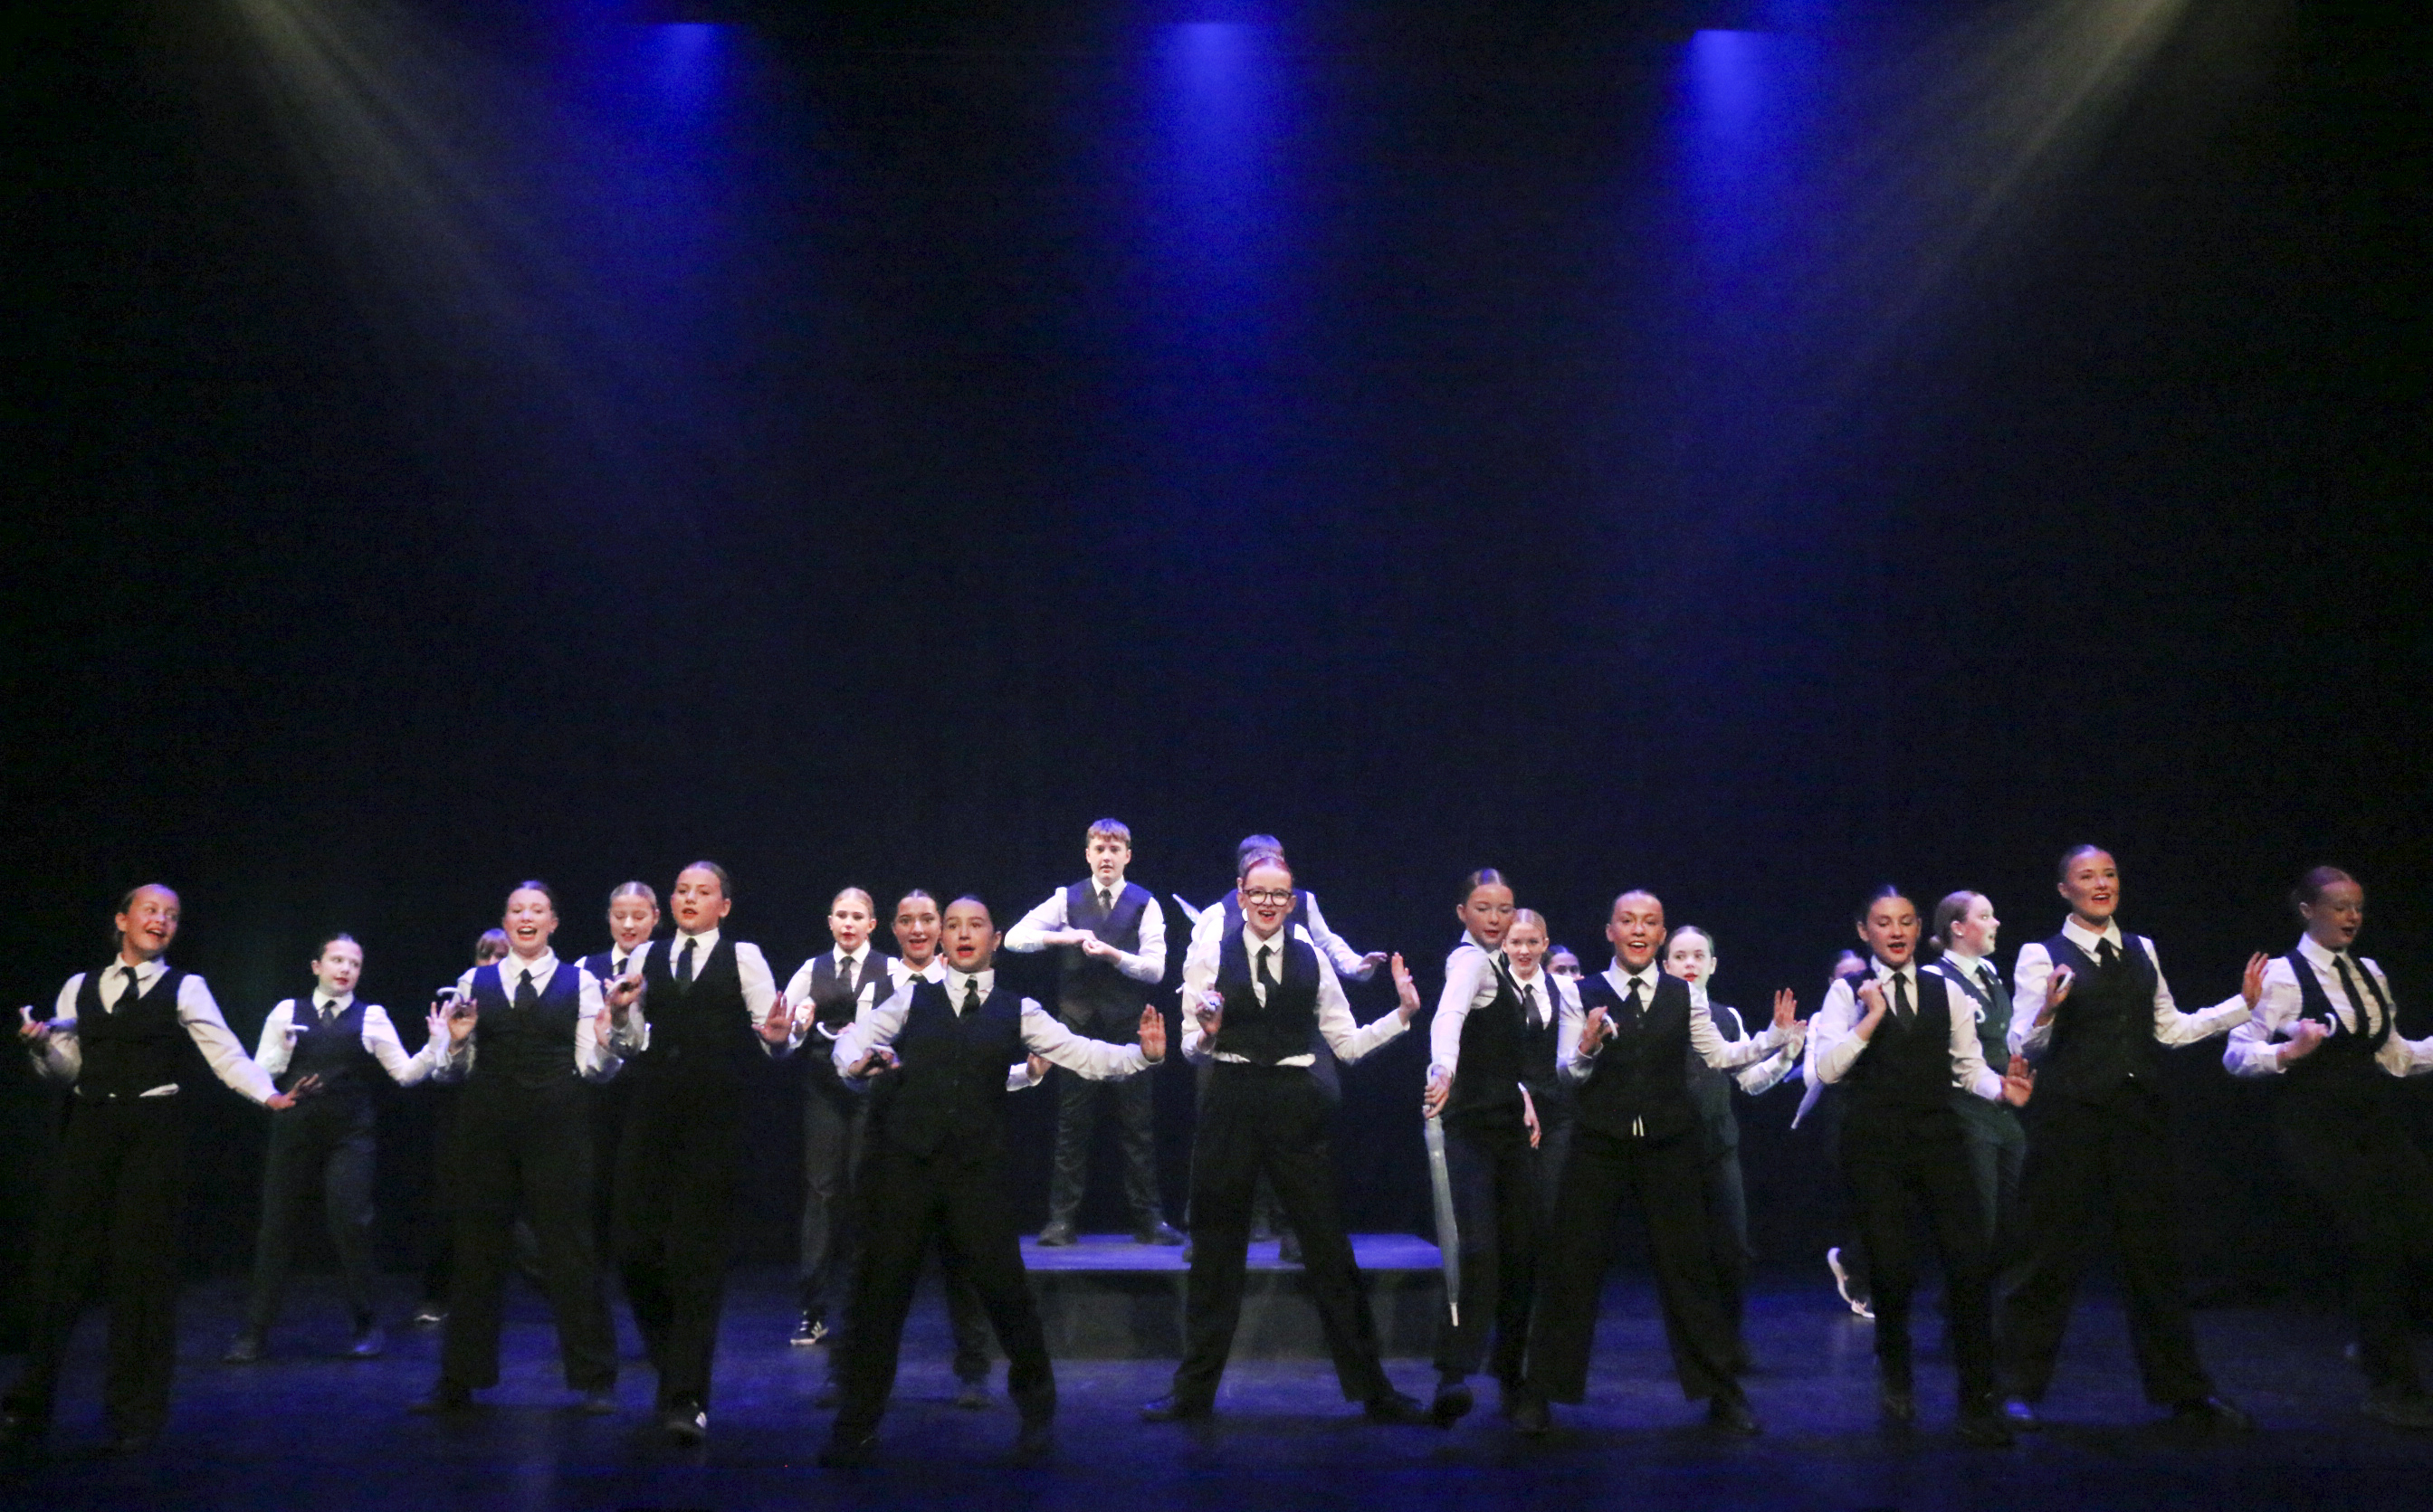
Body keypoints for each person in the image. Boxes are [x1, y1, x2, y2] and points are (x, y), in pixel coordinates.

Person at [819, 896, 1168, 1468]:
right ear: (943, 940)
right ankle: (855, 1425)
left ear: (995, 939)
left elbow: (1082, 1054)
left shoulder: (1018, 1010)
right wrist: (855, 1063)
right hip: (908, 1170)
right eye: (953, 926)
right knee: (881, 1299)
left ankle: (1037, 1415)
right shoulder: (913, 999)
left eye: (974, 925)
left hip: (975, 1175)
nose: (962, 934)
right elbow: (854, 1040)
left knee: (1007, 1298)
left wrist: (1143, 1056)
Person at [3, 885, 302, 1454]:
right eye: (151, 910)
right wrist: (40, 1048)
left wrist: (268, 1094)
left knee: (141, 1273)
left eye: (172, 916)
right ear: (122, 920)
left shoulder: (186, 987)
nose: (162, 921)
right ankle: (29, 1404)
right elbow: (66, 1071)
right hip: (90, 1128)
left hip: (152, 1132)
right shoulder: (80, 986)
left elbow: (225, 1053)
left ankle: (135, 1414)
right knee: (60, 1268)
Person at [1143, 852, 1431, 1427]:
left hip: (1294, 1103)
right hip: (1230, 1098)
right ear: (1241, 895)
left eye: (1280, 894)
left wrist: (1401, 1014)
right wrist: (1207, 1034)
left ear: (1292, 902)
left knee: (1328, 1248)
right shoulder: (1210, 951)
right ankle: (1192, 1392)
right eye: (1259, 893)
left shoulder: (1312, 958)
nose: (1268, 903)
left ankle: (1374, 1390)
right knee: (1216, 1250)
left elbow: (1346, 1045)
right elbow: (1191, 1049)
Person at [1515, 889, 1801, 1438]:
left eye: (1649, 922)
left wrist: (1774, 1038)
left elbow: (1718, 1056)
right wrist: (1588, 1048)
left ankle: (1722, 1392)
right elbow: (1567, 1074)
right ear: (1611, 931)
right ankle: (1539, 1393)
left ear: (1661, 934)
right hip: (1599, 1144)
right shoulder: (1581, 992)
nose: (1639, 930)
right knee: (1570, 1271)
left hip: (1669, 1144)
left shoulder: (1683, 994)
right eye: (1628, 921)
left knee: (1689, 1272)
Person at [1999, 845, 2253, 1432]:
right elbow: (2023, 1045)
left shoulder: (2142, 949)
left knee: (2153, 1259)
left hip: (2136, 1120)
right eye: (2087, 876)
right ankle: (2014, 1387)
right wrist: (2047, 1010)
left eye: (2109, 874)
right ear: (2064, 889)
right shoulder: (2042, 954)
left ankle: (2184, 1390)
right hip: (2070, 1120)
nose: (2101, 884)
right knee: (2046, 1256)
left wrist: (2244, 1005)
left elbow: (2170, 1029)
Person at [414, 880, 645, 1418]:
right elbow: (449, 1072)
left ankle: (595, 1377)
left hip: (558, 1125)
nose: (526, 917)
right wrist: (457, 1041)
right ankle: (458, 1379)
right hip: (487, 1126)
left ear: (553, 923)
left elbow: (596, 1069)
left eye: (537, 910)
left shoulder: (579, 983)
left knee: (570, 1249)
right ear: (506, 921)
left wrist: (612, 1035)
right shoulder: (473, 981)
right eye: (517, 910)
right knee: (476, 1251)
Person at [1810, 888, 2031, 1446]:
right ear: (1864, 931)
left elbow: (1968, 1067)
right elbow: (1827, 1069)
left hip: (1938, 1137)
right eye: (1884, 922)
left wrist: (2001, 1091)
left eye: (1906, 921)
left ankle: (1978, 1396)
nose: (1896, 931)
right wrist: (1870, 1019)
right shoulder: (1847, 992)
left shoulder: (1945, 989)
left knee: (1969, 1263)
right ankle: (1896, 1375)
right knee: (1892, 1268)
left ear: (1917, 928)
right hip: (1874, 1143)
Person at [2222, 867, 2433, 1428]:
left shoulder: (2369, 973)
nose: (2352, 917)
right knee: (2375, 1238)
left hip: (2372, 1123)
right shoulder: (2281, 977)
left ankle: (2374, 1340)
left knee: (2420, 1225)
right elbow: (2236, 1054)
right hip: (2315, 1128)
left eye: (2357, 907)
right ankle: (2392, 1385)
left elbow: (2395, 1056)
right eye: (2340, 907)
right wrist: (2288, 1052)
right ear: (2307, 910)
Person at [614, 862, 798, 1443]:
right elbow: (631, 1043)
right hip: (652, 1113)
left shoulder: (743, 956)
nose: (690, 898)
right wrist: (617, 1017)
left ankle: (686, 1396)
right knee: (634, 1249)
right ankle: (673, 1366)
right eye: (682, 891)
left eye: (703, 891)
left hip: (714, 1121)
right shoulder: (646, 956)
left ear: (724, 906)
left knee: (696, 1258)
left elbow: (773, 1036)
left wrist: (779, 1040)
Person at [224, 933, 446, 1365]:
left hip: (349, 1135)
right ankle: (254, 1330)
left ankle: (367, 1323)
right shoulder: (287, 1012)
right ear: (316, 966)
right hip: (294, 1130)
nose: (345, 969)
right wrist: (283, 1053)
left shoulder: (371, 1017)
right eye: (337, 960)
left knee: (351, 1223)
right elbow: (259, 1073)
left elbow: (405, 1074)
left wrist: (437, 1042)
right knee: (276, 1228)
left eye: (354, 963)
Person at [1182, 834, 1386, 1262]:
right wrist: (1204, 1017)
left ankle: (1296, 1225)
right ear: (1242, 884)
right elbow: (1198, 972)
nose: (1269, 898)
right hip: (1233, 1045)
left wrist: (1361, 970)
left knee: (1313, 1115)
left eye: (1279, 882)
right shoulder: (1218, 918)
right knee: (1224, 1146)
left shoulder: (1303, 915)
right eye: (1259, 885)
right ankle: (1229, 1230)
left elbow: (1329, 946)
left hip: (1293, 1038)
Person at [1007, 820, 1182, 1247]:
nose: (1106, 856)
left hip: (1127, 1026)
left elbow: (1156, 968)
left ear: (1128, 856)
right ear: (1087, 854)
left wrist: (1114, 955)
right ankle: (1061, 1221)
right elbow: (1014, 938)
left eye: (1114, 849)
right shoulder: (1065, 899)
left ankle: (1149, 1220)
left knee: (1137, 1127)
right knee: (1072, 1126)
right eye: (1099, 849)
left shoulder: (1145, 903)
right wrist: (1061, 938)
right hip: (1076, 1026)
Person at [1663, 925, 1800, 1374]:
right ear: (1665, 965)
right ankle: (1695, 1348)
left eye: (1698, 956)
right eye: (1680, 956)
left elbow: (1750, 1081)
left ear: (1713, 965)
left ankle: (1729, 1340)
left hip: (1718, 1143)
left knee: (1733, 1249)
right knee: (1684, 1255)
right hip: (1670, 1147)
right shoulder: (1655, 1016)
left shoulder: (1726, 1016)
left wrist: (1784, 1056)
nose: (1689, 963)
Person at [787, 888, 891, 1348]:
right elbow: (784, 1032)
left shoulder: (890, 970)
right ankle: (813, 1309)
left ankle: (867, 1306)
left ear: (872, 924)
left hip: (871, 1089)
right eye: (841, 916)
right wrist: (798, 1024)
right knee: (822, 1191)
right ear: (830, 922)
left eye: (857, 916)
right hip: (824, 1088)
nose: (848, 923)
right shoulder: (812, 970)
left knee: (866, 1189)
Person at [412, 927, 510, 1329]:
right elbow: (441, 1073)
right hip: (463, 1114)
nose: (492, 963)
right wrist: (447, 1040)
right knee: (449, 1208)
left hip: (510, 1113)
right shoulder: (460, 1001)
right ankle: (437, 1296)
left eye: (501, 956)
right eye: (486, 955)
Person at [1927, 892, 2028, 1271]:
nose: (1995, 923)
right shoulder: (1935, 979)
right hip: (1964, 1109)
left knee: (2016, 1211)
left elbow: (2007, 1035)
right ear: (1957, 928)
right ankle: (1969, 1296)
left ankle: (2002, 1290)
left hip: (2003, 1106)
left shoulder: (1989, 972)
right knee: (1978, 1217)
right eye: (1984, 916)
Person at [576, 885, 659, 1264]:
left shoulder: (668, 965)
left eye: (638, 916)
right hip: (598, 1094)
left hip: (652, 1090)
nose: (628, 925)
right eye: (619, 916)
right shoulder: (585, 968)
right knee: (596, 1183)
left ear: (655, 918)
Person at [1508, 915, 1579, 1231]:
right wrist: (1520, 1092)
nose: (1524, 950)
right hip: (1511, 1106)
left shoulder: (1564, 988)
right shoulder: (1491, 987)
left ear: (1544, 944)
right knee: (1518, 1203)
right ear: (1504, 945)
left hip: (1557, 1107)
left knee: (1554, 1202)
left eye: (1532, 942)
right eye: (1516, 942)